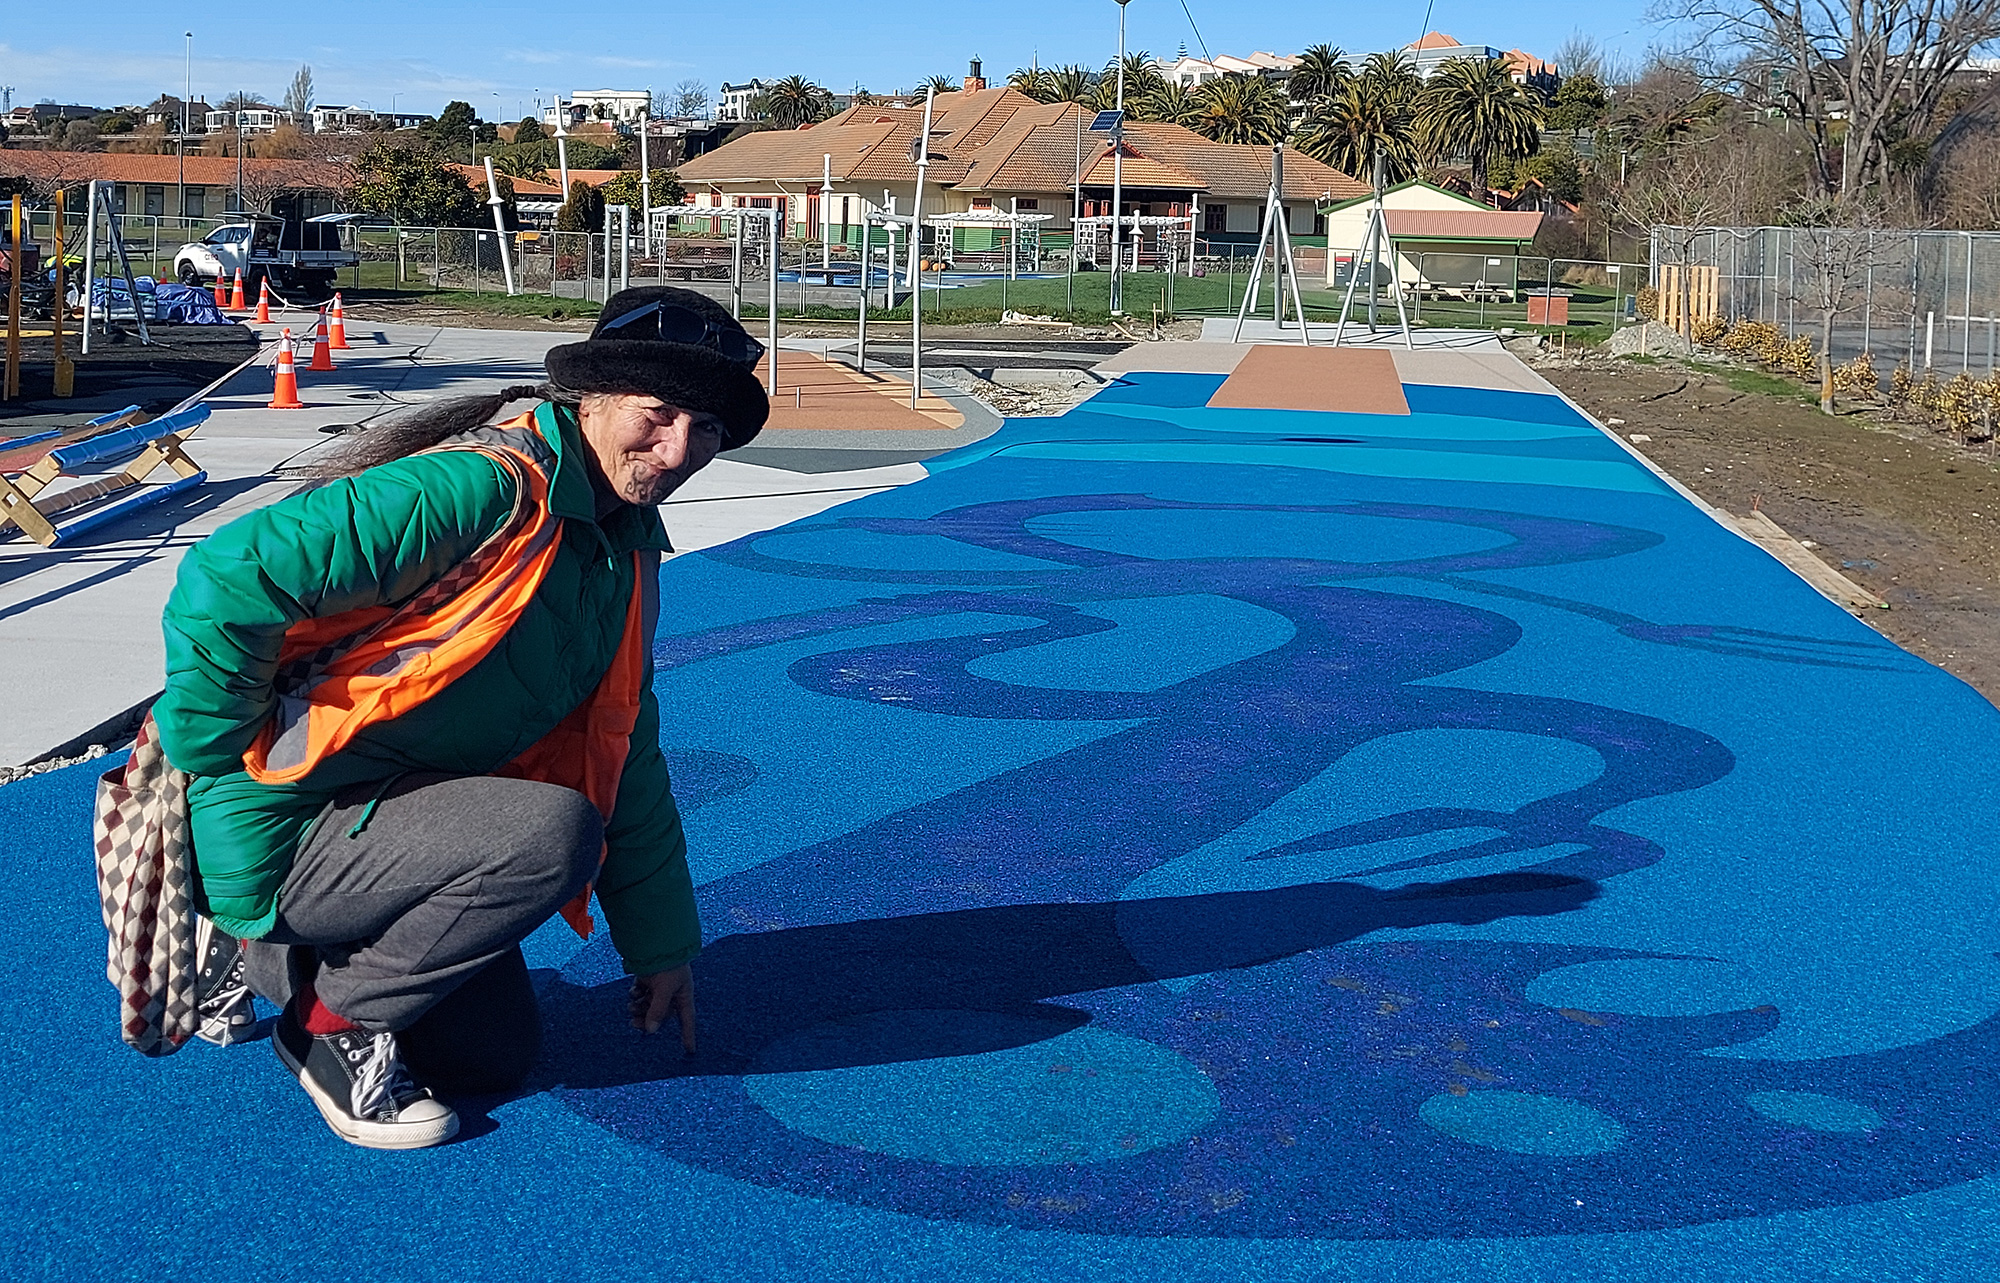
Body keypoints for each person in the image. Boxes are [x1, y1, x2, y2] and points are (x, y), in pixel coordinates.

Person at [152, 287, 769, 1149]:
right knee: (553, 833)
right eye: (657, 413)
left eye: (703, 428)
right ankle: (328, 1026)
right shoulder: (481, 487)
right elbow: (229, 576)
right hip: (285, 814)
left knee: (489, 1056)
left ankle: (261, 950)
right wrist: (208, 758)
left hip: (390, 816)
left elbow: (624, 741)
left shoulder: (618, 541)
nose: (677, 449)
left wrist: (660, 942)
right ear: (589, 400)